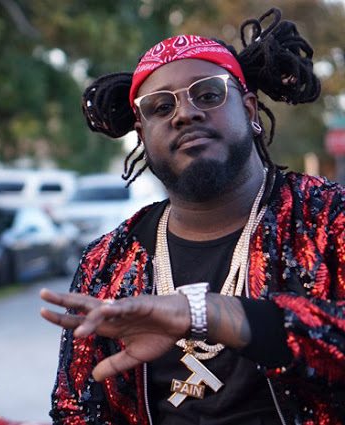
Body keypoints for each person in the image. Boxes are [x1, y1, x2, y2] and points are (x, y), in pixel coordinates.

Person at [39, 7, 345, 425]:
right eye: (160, 107)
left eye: (208, 94)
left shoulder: (328, 218)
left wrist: (209, 314)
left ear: (250, 111)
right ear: (142, 135)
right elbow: (75, 409)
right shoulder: (107, 261)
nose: (184, 113)